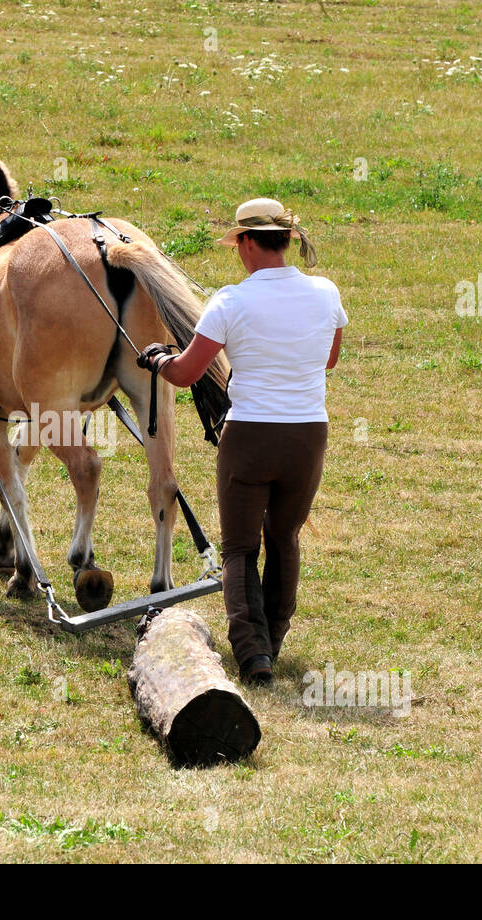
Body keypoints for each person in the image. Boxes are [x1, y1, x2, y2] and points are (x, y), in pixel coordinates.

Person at [139, 198, 346, 687]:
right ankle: (272, 639)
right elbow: (329, 360)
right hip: (308, 436)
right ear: (287, 241)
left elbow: (189, 373)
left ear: (248, 243)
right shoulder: (325, 292)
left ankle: (252, 656)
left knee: (238, 550)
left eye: (238, 244)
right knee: (284, 538)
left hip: (250, 435)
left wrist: (156, 360)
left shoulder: (230, 302)